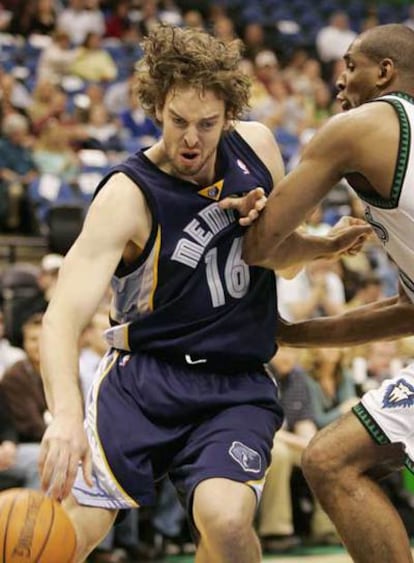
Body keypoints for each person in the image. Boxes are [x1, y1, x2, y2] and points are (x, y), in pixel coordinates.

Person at [37, 24, 370, 563]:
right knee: (66, 533)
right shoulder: (127, 194)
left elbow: (272, 259)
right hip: (145, 378)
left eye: (207, 124)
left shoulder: (258, 149)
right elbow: (60, 318)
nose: (191, 138)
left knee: (228, 522)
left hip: (233, 382)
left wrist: (317, 247)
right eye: (178, 122)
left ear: (230, 116)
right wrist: (67, 419)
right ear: (156, 108)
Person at [226, 22, 414, 563]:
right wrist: (293, 334)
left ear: (385, 72)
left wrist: (319, 245)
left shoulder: (357, 126)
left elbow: (261, 246)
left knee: (331, 462)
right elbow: (408, 311)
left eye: (350, 65)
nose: (339, 82)